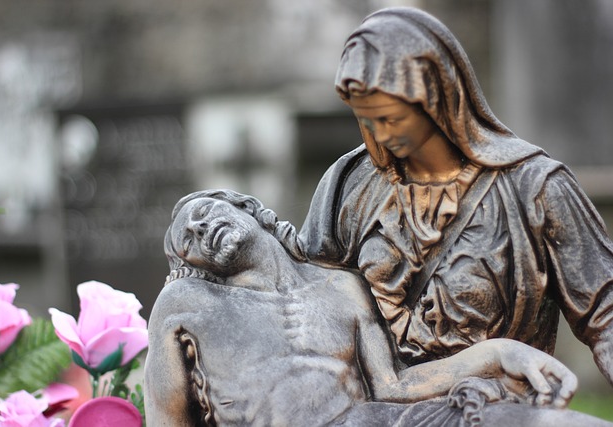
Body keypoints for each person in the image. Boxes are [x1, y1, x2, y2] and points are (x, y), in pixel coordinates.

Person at [276, 7, 613, 386]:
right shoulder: (350, 185)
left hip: (495, 406)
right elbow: (304, 297)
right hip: (378, 406)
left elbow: (605, 314)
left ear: (436, 97)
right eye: (366, 120)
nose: (380, 134)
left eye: (391, 119)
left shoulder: (534, 188)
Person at [144, 189, 611, 427]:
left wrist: (499, 353)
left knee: (541, 422)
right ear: (193, 264)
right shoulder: (188, 303)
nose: (200, 230)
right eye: (188, 240)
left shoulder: (340, 287)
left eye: (205, 213)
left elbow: (393, 386)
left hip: (373, 421)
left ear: (247, 208)